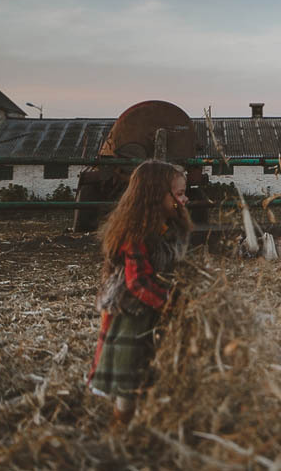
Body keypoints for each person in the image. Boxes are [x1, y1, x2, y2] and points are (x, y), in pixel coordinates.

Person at [87, 160, 191, 428]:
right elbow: (139, 283)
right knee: (128, 382)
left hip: (155, 310)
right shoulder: (136, 233)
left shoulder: (166, 227)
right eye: (178, 194)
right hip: (132, 315)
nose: (184, 199)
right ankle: (120, 431)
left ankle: (142, 426)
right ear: (156, 196)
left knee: (150, 373)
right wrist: (174, 303)